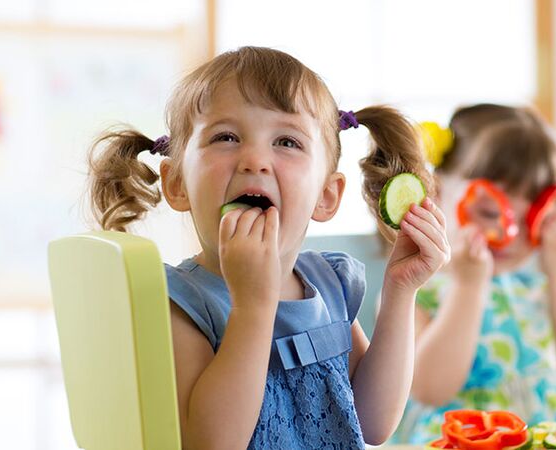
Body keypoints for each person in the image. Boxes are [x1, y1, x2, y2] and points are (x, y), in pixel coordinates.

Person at [86, 46, 450, 449]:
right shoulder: (179, 303)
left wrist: (401, 290)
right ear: (176, 183)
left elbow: (373, 423)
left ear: (326, 196)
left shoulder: (329, 284)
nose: (254, 159)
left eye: (287, 142)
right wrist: (253, 306)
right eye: (225, 137)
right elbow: (212, 444)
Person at [394, 105, 556, 444]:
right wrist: (468, 287)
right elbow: (429, 388)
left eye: (531, 221)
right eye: (490, 211)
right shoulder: (414, 287)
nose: (509, 234)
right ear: (435, 190)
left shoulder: (543, 286)